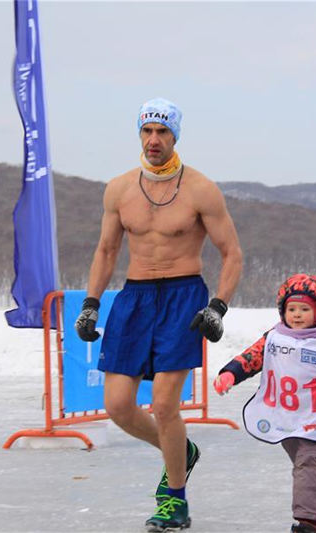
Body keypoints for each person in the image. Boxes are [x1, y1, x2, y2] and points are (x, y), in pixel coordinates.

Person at [74, 97, 243, 532]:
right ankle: (180, 453)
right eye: (147, 131)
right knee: (117, 405)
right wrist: (91, 303)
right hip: (134, 298)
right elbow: (107, 250)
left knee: (166, 404)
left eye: (162, 132)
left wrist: (217, 307)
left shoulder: (201, 189)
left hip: (184, 297)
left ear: (175, 136)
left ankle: (174, 499)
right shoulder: (119, 189)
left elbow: (232, 254)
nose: (153, 140)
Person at [213, 273, 316, 533]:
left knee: (308, 462)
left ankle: (307, 521)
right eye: (291, 309)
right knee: (307, 463)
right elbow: (252, 357)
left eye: (304, 309)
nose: (297, 314)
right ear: (283, 311)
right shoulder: (274, 337)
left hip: (315, 417)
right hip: (283, 414)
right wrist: (231, 373)